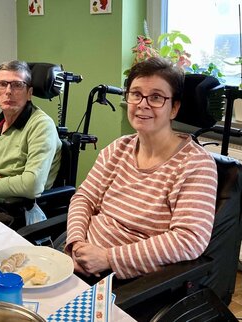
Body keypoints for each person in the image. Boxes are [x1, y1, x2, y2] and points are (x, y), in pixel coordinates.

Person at [65, 57, 218, 280]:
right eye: (136, 94)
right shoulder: (118, 148)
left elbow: (189, 239)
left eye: (156, 97)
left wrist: (109, 258)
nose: (142, 104)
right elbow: (84, 198)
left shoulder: (195, 164)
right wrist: (76, 243)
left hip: (124, 281)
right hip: (80, 258)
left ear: (174, 108)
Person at [0, 60, 62, 223]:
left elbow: (32, 185)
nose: (9, 91)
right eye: (2, 84)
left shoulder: (41, 125)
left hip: (14, 211)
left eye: (17, 85)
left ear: (29, 93)